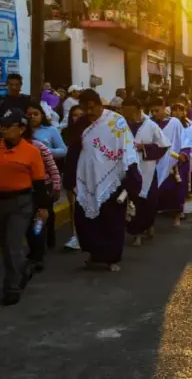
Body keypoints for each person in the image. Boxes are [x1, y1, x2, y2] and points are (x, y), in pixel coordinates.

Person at [65, 89, 138, 272]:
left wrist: (131, 174)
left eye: (92, 108)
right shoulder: (82, 123)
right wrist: (70, 177)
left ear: (99, 104)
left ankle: (112, 258)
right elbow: (73, 149)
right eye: (85, 109)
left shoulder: (116, 121)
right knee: (85, 220)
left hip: (112, 177)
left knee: (111, 220)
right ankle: (93, 254)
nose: (90, 112)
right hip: (87, 177)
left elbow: (127, 147)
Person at [0, 109, 49, 305]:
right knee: (6, 246)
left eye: (8, 126)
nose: (3, 129)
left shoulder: (32, 151)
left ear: (21, 128)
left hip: (20, 203)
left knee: (13, 245)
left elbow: (39, 183)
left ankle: (12, 287)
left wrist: (43, 208)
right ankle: (23, 270)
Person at [121, 98, 170, 246]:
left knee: (149, 201)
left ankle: (148, 225)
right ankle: (136, 233)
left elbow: (164, 145)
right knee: (133, 201)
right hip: (129, 168)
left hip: (147, 169)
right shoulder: (122, 126)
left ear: (136, 109)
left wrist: (145, 148)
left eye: (126, 109)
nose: (123, 112)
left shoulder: (151, 125)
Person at [21, 119, 60, 272]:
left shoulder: (38, 147)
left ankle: (38, 255)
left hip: (42, 191)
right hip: (24, 193)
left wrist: (56, 187)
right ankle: (34, 251)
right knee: (27, 226)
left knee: (38, 224)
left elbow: (52, 168)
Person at [153, 99, 192, 227]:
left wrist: (183, 153)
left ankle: (176, 216)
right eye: (152, 111)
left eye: (157, 110)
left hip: (172, 161)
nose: (154, 113)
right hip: (155, 162)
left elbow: (184, 140)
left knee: (174, 190)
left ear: (164, 108)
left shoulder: (174, 123)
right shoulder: (150, 124)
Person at [60, 104, 84, 251]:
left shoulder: (91, 132)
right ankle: (75, 235)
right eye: (75, 115)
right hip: (71, 171)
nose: (78, 118)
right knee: (73, 206)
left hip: (87, 173)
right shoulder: (66, 133)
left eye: (81, 115)